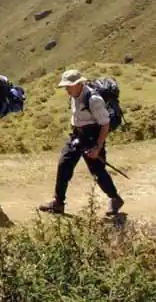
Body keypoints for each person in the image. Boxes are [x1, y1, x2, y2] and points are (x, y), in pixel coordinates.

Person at [38, 69, 124, 216]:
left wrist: (97, 147)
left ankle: (115, 198)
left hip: (92, 138)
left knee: (97, 171)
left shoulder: (94, 99)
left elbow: (105, 124)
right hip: (77, 135)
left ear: (79, 84)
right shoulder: (73, 95)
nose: (66, 89)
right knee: (64, 164)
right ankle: (58, 203)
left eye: (68, 86)